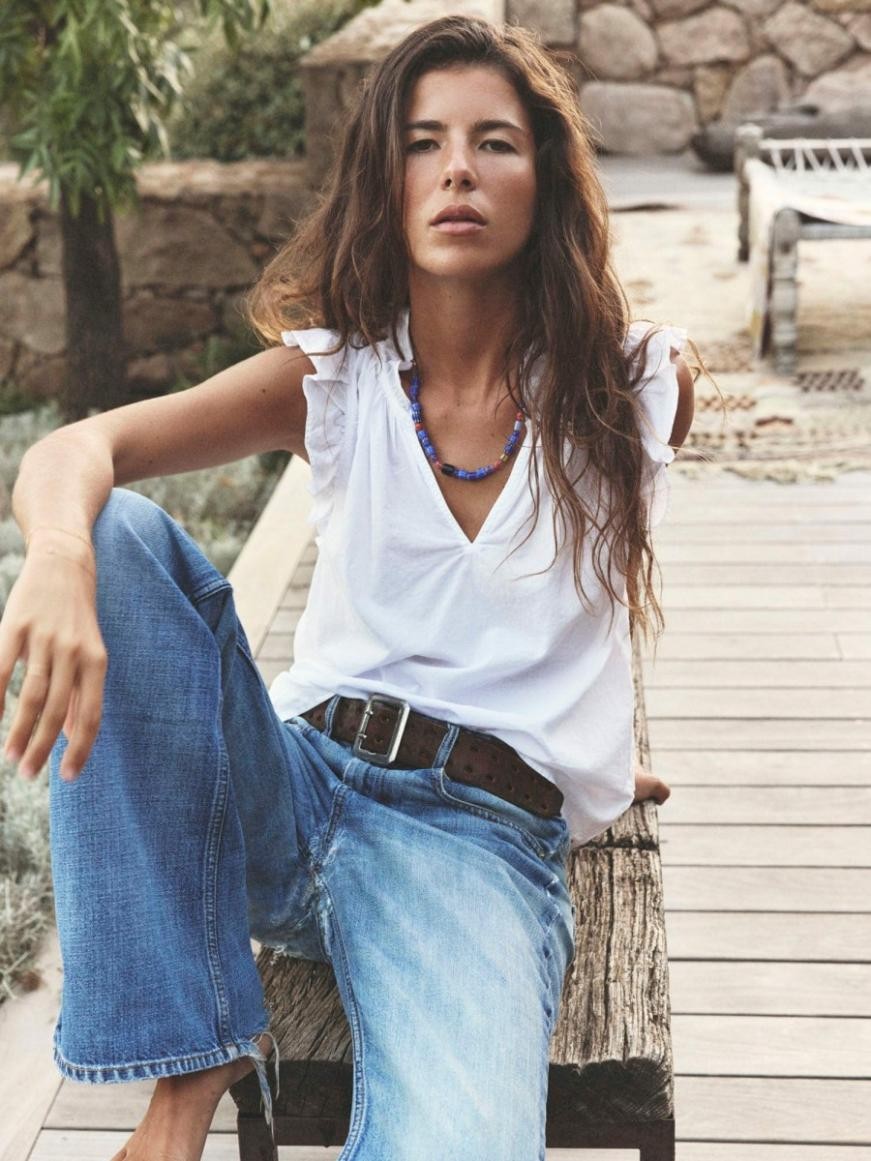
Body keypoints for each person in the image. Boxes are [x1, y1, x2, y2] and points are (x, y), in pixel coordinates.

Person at [0, 14, 705, 1161]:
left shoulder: (632, 384)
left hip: (474, 842)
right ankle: (187, 1065)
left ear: (546, 179)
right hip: (290, 786)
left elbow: (570, 593)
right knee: (116, 534)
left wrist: (584, 757)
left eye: (493, 142)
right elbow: (78, 449)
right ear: (385, 181)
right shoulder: (333, 379)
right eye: (422, 143)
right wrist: (59, 559)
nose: (457, 169)